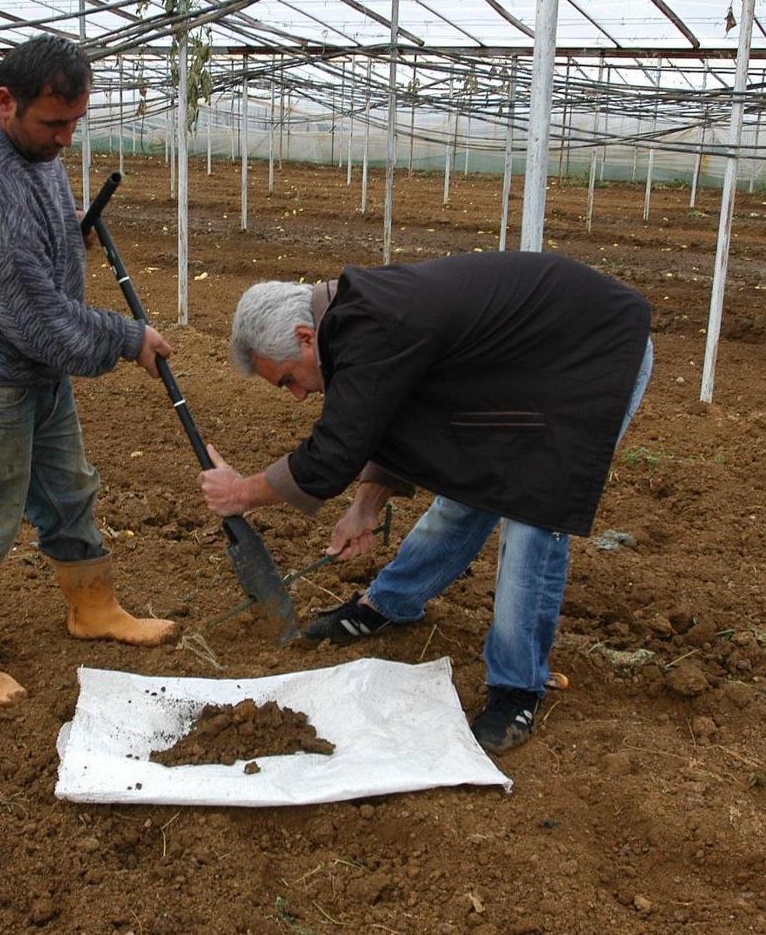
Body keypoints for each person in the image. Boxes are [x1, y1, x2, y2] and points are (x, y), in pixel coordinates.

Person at [198, 250, 653, 753]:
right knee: (472, 484)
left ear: (306, 338)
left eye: (287, 378)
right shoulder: (357, 326)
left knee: (533, 513)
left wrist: (243, 492)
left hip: (596, 350)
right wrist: (365, 509)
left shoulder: (372, 326)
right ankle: (391, 603)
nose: (298, 395)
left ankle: (517, 686)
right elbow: (392, 418)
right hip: (526, 364)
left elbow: (331, 455)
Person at [0, 35, 178, 710]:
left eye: (74, 123)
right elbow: (37, 322)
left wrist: (66, 229)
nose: (65, 139)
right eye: (53, 124)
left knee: (67, 489)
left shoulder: (26, 141)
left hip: (30, 366)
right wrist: (128, 338)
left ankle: (92, 608)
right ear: (5, 102)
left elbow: (35, 221)